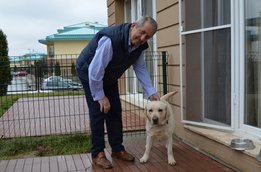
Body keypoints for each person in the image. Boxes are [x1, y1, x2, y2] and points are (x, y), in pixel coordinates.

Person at [76, 16, 160, 169]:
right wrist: (100, 96)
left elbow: (140, 68)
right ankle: (98, 153)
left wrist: (151, 91)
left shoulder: (140, 46)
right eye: (141, 32)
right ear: (134, 26)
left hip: (109, 76)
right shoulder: (110, 40)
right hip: (89, 71)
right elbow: (95, 71)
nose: (142, 38)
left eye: (147, 36)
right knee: (98, 110)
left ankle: (117, 149)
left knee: (115, 109)